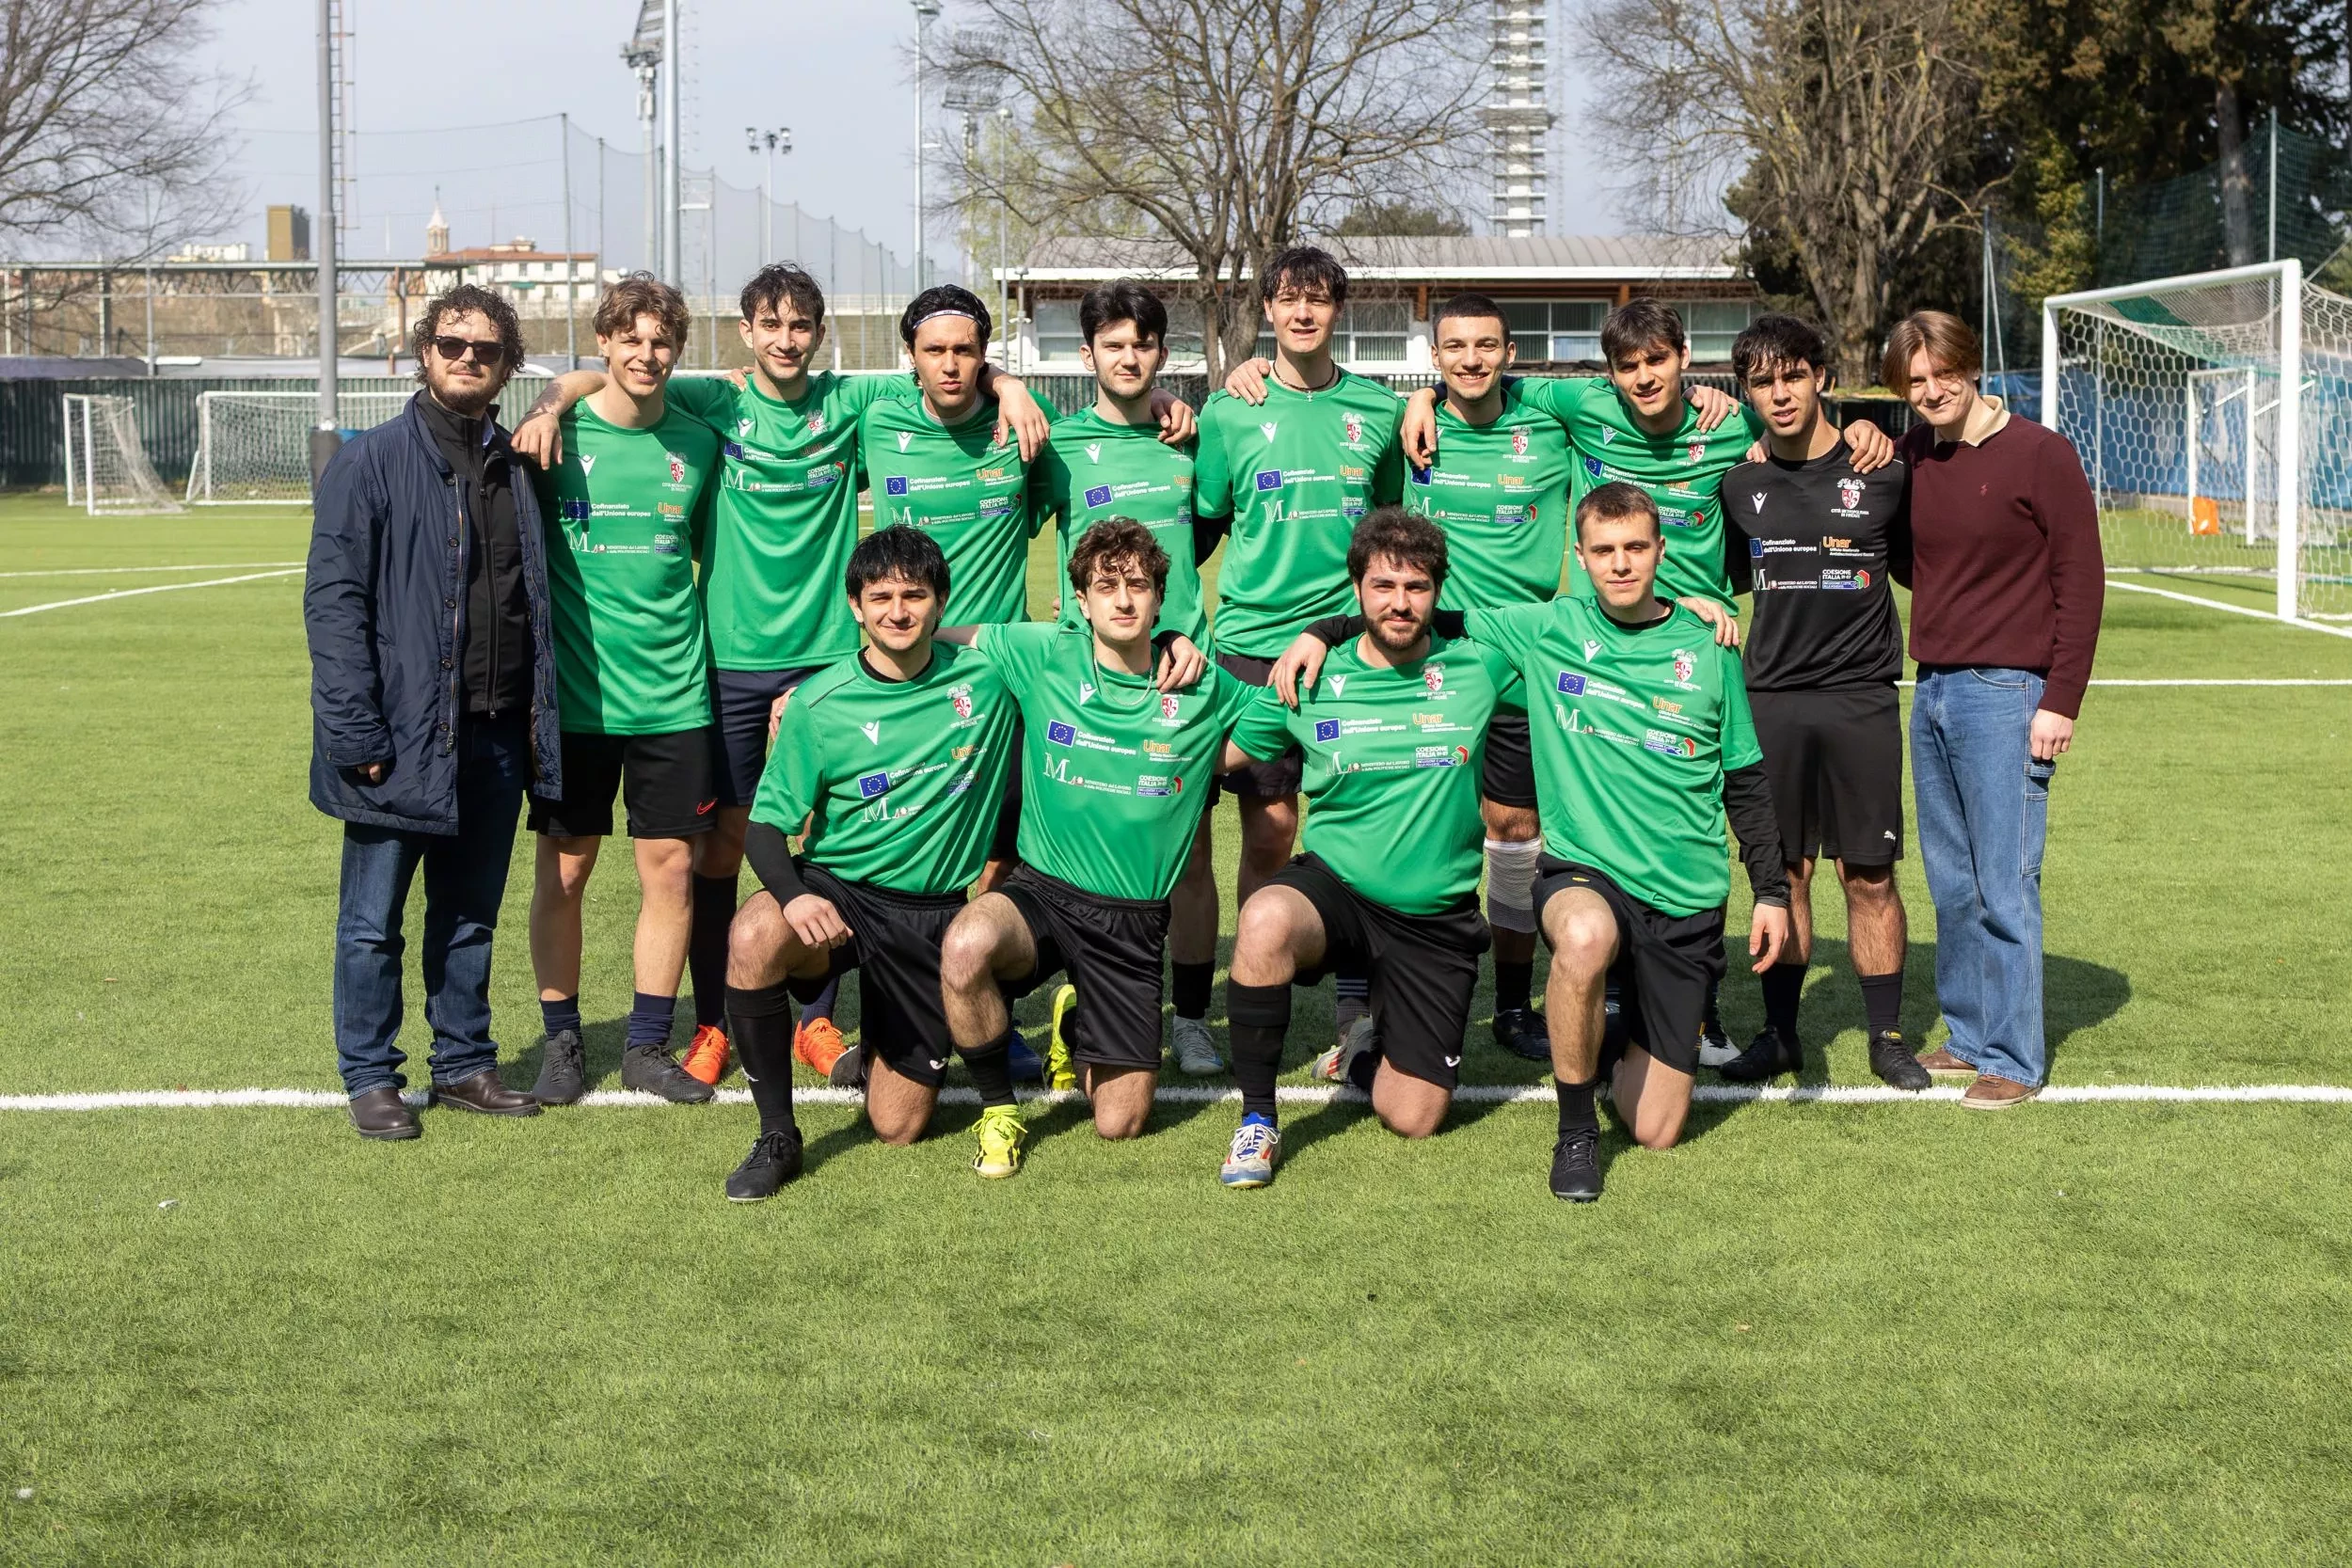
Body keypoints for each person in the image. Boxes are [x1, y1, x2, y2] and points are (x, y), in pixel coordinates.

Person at [513, 265, 1052, 1089]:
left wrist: (1009, 381)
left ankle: (817, 1021)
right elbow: (611, 372)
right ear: (746, 333)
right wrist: (551, 401)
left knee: (829, 839)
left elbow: (947, 367)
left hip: (837, 658)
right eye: (770, 324)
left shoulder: (852, 405)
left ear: (821, 334)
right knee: (723, 845)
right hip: (726, 663)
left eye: (801, 325)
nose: (786, 339)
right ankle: (713, 1019)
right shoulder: (711, 403)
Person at [1401, 296, 1891, 1066]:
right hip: (1591, 653)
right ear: (1609, 373)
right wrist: (1423, 395)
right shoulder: (1580, 404)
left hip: (1694, 657)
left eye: (1657, 360)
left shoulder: (1731, 422)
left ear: (1683, 356)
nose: (1643, 377)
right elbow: (1487, 382)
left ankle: (1696, 1009)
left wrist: (1862, 426)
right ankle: (1550, 1000)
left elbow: (1806, 430)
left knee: (1685, 823)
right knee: (1542, 829)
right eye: (1628, 366)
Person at [1465, 483, 1788, 1201]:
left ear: (1659, 553)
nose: (1619, 564)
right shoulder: (1546, 626)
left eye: (1635, 548)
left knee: (1657, 1125)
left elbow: (1745, 778)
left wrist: (1771, 890)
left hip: (1684, 895)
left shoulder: (1709, 645)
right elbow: (1424, 618)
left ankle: (1613, 1028)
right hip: (1587, 872)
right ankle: (1576, 1132)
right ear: (1578, 557)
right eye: (1603, 551)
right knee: (1581, 936)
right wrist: (1324, 633)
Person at [305, 283, 559, 1140]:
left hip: (494, 734)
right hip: (397, 736)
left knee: (470, 915)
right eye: (452, 344)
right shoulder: (369, 461)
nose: (467, 360)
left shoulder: (521, 464)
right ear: (424, 351)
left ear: (506, 365)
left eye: (486, 350)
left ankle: (463, 1063)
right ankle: (372, 1075)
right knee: (371, 923)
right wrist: (354, 730)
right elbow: (333, 604)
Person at [1214, 510, 1519, 1188]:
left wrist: (1691, 604)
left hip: (1432, 911)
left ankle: (1362, 1050)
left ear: (1439, 591)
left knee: (1415, 1115)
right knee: (1264, 917)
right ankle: (1258, 1119)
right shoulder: (1310, 676)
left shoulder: (1481, 663)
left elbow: (1585, 631)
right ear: (1356, 589)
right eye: (1382, 585)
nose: (1399, 602)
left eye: (1416, 586)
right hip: (1337, 889)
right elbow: (1225, 751)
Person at [719, 527, 1021, 1199]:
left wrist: (1175, 641)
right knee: (752, 933)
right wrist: (795, 895)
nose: (898, 611)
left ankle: (877, 1052)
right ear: (855, 605)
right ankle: (776, 1134)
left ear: (941, 602)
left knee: (897, 1124)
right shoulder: (819, 703)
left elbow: (1085, 649)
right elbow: (766, 827)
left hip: (932, 914)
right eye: (880, 596)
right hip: (840, 894)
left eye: (915, 595)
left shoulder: (991, 681)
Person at [933, 520, 1244, 1162]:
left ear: (1161, 597)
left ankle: (1075, 1018)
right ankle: (998, 1110)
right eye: (1107, 585)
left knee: (1119, 1120)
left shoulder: (1202, 683)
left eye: (1138, 585)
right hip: (1042, 892)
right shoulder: (1044, 651)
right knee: (965, 944)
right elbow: (931, 633)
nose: (1124, 600)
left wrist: (1322, 639)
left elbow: (1276, 718)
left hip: (1130, 922)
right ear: (1080, 598)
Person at [1192, 245, 1406, 1049]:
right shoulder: (1230, 409)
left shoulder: (1380, 410)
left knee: (1356, 823)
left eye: (1319, 299)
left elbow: (1389, 528)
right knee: (1271, 830)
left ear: (1337, 311)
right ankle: (1257, 987)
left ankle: (1357, 1005)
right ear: (1272, 310)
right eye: (1289, 299)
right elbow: (1203, 522)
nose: (1303, 312)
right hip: (1250, 647)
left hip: (1350, 650)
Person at [1886, 311, 2103, 1109]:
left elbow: (2081, 581)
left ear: (1970, 367)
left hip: (2008, 695)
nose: (1932, 391)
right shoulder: (1914, 453)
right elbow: (1911, 559)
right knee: (1952, 881)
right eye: (1914, 381)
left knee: (2005, 881)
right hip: (1933, 688)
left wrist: (2060, 699)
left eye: (1943, 373)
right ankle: (1970, 1032)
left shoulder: (2041, 454)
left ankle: (2013, 1057)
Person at [1712, 313, 1925, 1090]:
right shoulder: (1741, 481)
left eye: (1793, 375)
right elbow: (1715, 580)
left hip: (1860, 700)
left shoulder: (1884, 469)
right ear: (1748, 393)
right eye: (1763, 381)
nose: (1780, 393)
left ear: (1822, 377)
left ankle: (1887, 1035)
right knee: (1785, 873)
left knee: (1868, 875)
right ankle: (1780, 1034)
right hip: (1771, 700)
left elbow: (1921, 563)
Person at [523, 274, 721, 1108]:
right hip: (575, 701)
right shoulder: (554, 440)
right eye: (629, 338)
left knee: (670, 873)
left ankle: (646, 1043)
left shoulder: (702, 445)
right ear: (602, 343)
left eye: (660, 340)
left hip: (674, 697)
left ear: (676, 348)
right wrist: (551, 398)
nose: (646, 354)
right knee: (564, 874)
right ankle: (563, 1039)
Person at [1026, 280, 1226, 1078]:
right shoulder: (1058, 446)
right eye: (1114, 344)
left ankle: (1195, 1017)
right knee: (1083, 846)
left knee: (1189, 855)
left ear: (1161, 355)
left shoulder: (1191, 438)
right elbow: (1017, 527)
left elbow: (1212, 525)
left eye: (1142, 344)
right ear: (1088, 356)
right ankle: (1083, 991)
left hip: (1179, 674)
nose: (1129, 356)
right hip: (1087, 679)